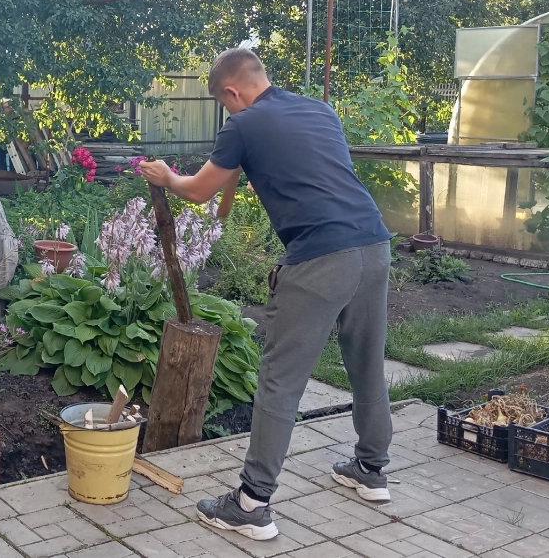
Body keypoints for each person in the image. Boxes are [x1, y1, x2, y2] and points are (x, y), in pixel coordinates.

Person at [139, 48, 393, 541]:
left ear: (232, 92)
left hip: (320, 258)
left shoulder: (245, 123)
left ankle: (252, 503)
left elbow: (196, 191)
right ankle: (371, 469)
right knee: (367, 363)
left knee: (279, 379)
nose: (227, 116)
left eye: (224, 105)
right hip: (374, 246)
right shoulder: (319, 110)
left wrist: (166, 177)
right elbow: (283, 177)